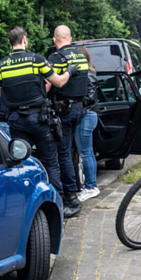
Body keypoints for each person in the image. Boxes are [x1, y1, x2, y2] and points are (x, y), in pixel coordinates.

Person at [0, 26, 80, 217]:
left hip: (16, 121)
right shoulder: (36, 60)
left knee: (21, 164)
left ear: (9, 42)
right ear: (25, 40)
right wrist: (70, 71)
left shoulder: (0, 66)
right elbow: (58, 82)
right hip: (39, 118)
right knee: (51, 162)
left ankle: (23, 207)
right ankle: (57, 208)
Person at [46, 25, 90, 215]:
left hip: (63, 111)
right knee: (70, 151)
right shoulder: (80, 57)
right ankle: (72, 192)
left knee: (62, 154)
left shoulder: (55, 58)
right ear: (70, 38)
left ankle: (70, 198)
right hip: (79, 110)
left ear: (55, 40)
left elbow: (47, 86)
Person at [74, 46, 100, 201]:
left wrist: (75, 102)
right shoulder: (91, 72)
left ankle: (90, 187)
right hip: (89, 114)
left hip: (86, 115)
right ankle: (91, 186)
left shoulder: (88, 75)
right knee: (88, 152)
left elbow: (90, 97)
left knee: (85, 153)